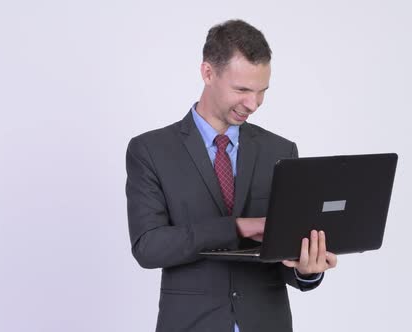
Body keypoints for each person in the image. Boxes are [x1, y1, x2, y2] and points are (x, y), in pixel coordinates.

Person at [126, 19, 338, 332]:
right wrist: (237, 227)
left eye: (261, 91)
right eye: (241, 90)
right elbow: (149, 246)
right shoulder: (151, 150)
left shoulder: (280, 150)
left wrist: (307, 270)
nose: (253, 104)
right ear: (208, 73)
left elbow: (283, 252)